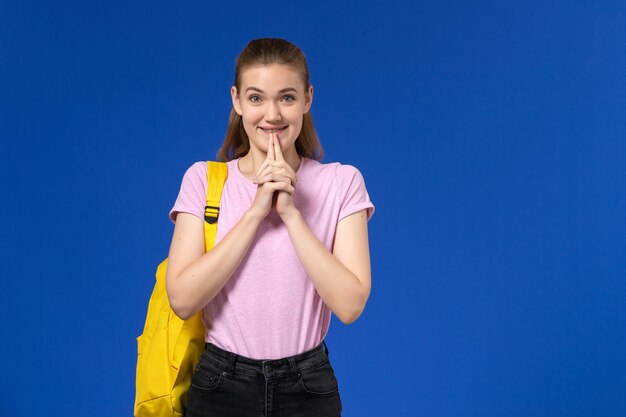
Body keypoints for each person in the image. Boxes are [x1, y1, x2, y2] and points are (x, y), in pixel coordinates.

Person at [165, 38, 375, 417]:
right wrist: (255, 213)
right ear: (237, 101)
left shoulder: (342, 183)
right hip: (219, 385)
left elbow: (350, 304)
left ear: (308, 99)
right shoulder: (202, 180)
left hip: (308, 387)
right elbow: (181, 299)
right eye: (257, 98)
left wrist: (292, 214)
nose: (273, 114)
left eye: (288, 97)